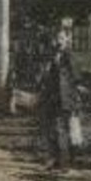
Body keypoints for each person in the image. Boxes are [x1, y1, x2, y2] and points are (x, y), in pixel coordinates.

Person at [37, 28, 79, 169]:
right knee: (52, 129)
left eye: (61, 38)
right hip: (52, 97)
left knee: (62, 130)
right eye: (57, 38)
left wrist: (73, 99)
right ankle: (54, 159)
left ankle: (64, 162)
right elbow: (47, 76)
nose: (58, 41)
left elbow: (75, 78)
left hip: (65, 99)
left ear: (68, 39)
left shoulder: (70, 55)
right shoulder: (52, 54)